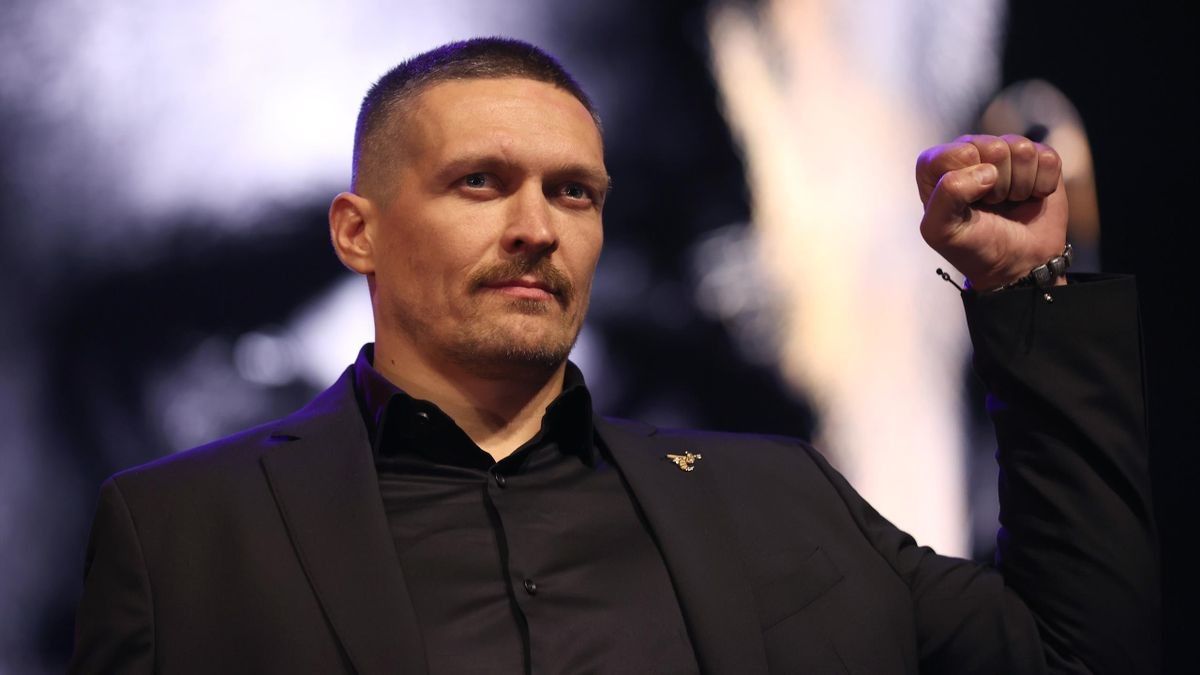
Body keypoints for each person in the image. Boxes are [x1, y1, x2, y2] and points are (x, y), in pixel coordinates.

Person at [68, 38, 1158, 674]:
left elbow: (1077, 655)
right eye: (480, 182)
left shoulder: (778, 499)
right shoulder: (180, 535)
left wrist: (1027, 294)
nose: (537, 227)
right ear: (359, 232)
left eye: (574, 192)